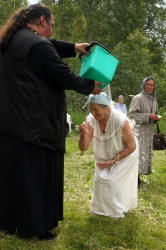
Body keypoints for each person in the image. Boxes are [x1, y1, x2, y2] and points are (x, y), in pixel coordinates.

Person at [0, 4, 103, 240]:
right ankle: (35, 228)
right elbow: (62, 73)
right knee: (36, 176)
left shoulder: (17, 38)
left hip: (12, 122)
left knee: (15, 175)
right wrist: (89, 86)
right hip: (35, 125)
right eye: (52, 26)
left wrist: (75, 47)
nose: (52, 31)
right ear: (43, 21)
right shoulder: (37, 45)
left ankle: (9, 222)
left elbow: (50, 46)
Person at [78, 93, 139, 219]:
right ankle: (99, 209)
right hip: (105, 153)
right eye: (90, 110)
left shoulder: (119, 120)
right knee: (99, 180)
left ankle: (116, 211)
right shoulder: (91, 120)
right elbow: (83, 148)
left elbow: (131, 146)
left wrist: (113, 161)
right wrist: (83, 134)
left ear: (106, 107)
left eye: (96, 109)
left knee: (114, 182)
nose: (93, 113)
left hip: (125, 153)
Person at [129, 76, 161, 188]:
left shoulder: (153, 99)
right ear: (144, 85)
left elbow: (153, 114)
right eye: (148, 85)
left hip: (148, 132)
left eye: (152, 85)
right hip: (139, 132)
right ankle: (135, 181)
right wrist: (148, 116)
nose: (150, 87)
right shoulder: (138, 98)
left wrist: (155, 118)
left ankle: (138, 178)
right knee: (137, 155)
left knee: (144, 155)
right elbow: (132, 116)